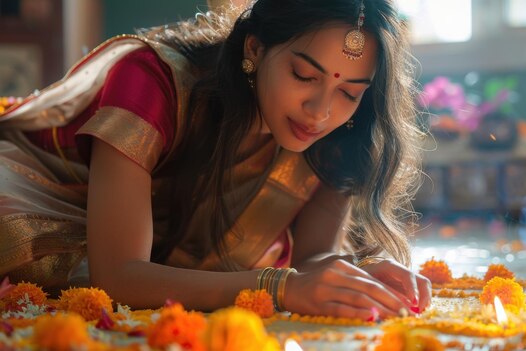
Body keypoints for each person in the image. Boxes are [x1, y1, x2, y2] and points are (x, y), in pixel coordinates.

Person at [0, 0, 430, 320]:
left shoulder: (340, 135)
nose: (320, 111)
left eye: (349, 93)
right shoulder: (154, 80)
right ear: (256, 49)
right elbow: (116, 275)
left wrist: (361, 273)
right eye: (304, 76)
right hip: (47, 198)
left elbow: (314, 256)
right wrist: (279, 287)